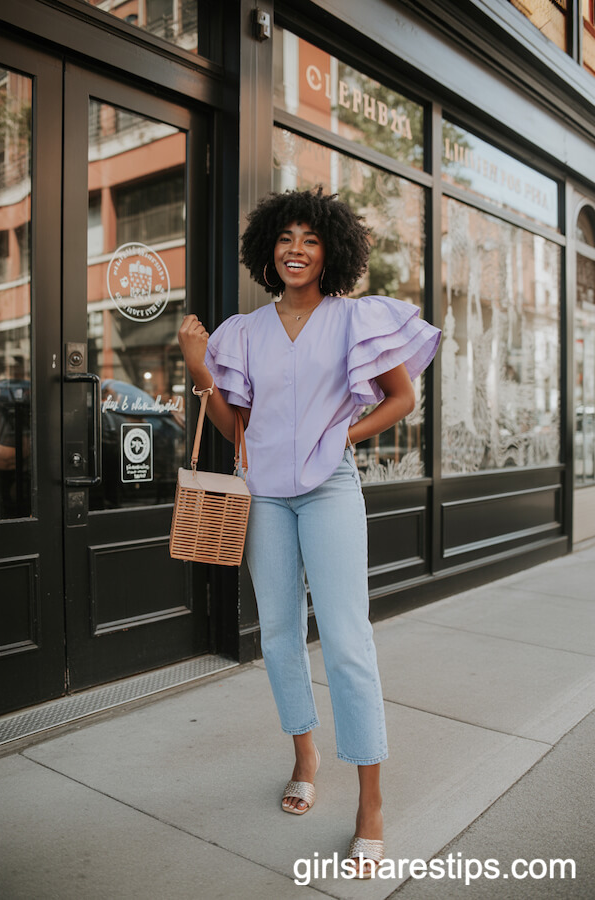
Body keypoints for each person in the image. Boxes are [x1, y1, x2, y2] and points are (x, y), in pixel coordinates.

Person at [178, 186, 441, 878]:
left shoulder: (354, 320)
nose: (296, 249)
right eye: (285, 238)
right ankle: (304, 756)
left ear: (331, 251)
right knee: (276, 635)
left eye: (310, 239)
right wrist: (199, 367)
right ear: (269, 249)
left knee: (349, 641)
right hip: (264, 496)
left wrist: (340, 437)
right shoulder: (242, 332)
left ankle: (371, 806)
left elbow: (402, 396)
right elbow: (240, 429)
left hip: (328, 492)